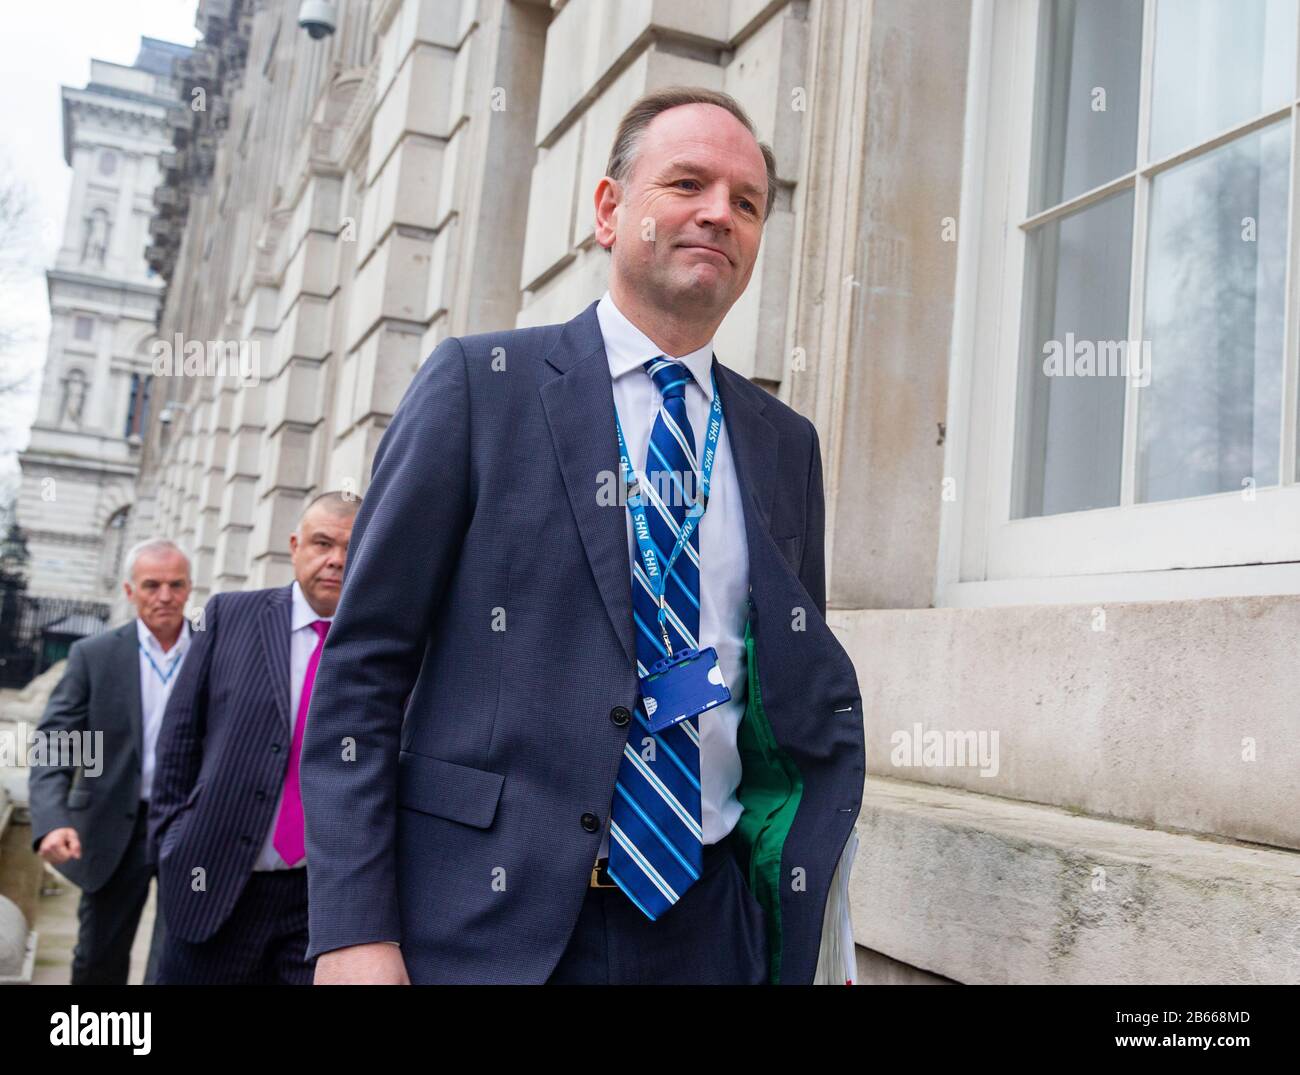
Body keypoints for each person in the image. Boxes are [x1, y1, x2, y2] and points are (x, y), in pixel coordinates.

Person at [301, 86, 865, 985]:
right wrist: (352, 929)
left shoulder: (785, 446)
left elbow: (773, 695)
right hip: (485, 931)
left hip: (705, 932)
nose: (720, 213)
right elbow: (362, 670)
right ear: (610, 211)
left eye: (747, 202)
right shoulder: (479, 386)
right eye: (687, 183)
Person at [147, 492, 358, 984]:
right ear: (294, 545)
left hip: (320, 905)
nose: (336, 560)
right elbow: (179, 740)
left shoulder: (384, 640)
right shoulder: (229, 617)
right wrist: (171, 841)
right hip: (215, 885)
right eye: (322, 542)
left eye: (352, 546)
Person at [29, 538, 192, 984]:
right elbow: (56, 742)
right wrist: (51, 818)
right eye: (151, 585)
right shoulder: (95, 656)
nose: (165, 597)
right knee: (98, 955)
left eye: (176, 585)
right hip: (111, 824)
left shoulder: (212, 651)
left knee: (182, 957)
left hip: (188, 824)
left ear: (190, 588)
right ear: (129, 591)